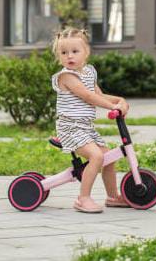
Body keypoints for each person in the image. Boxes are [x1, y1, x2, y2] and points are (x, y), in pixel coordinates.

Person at [51, 27, 130, 213]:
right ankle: (83, 198)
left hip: (85, 128)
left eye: (75, 51)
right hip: (70, 128)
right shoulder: (66, 76)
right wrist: (113, 107)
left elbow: (98, 95)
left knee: (108, 158)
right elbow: (87, 96)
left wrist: (119, 100)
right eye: (64, 52)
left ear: (86, 52)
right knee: (97, 156)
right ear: (59, 56)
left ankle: (112, 197)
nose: (69, 56)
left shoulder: (89, 72)